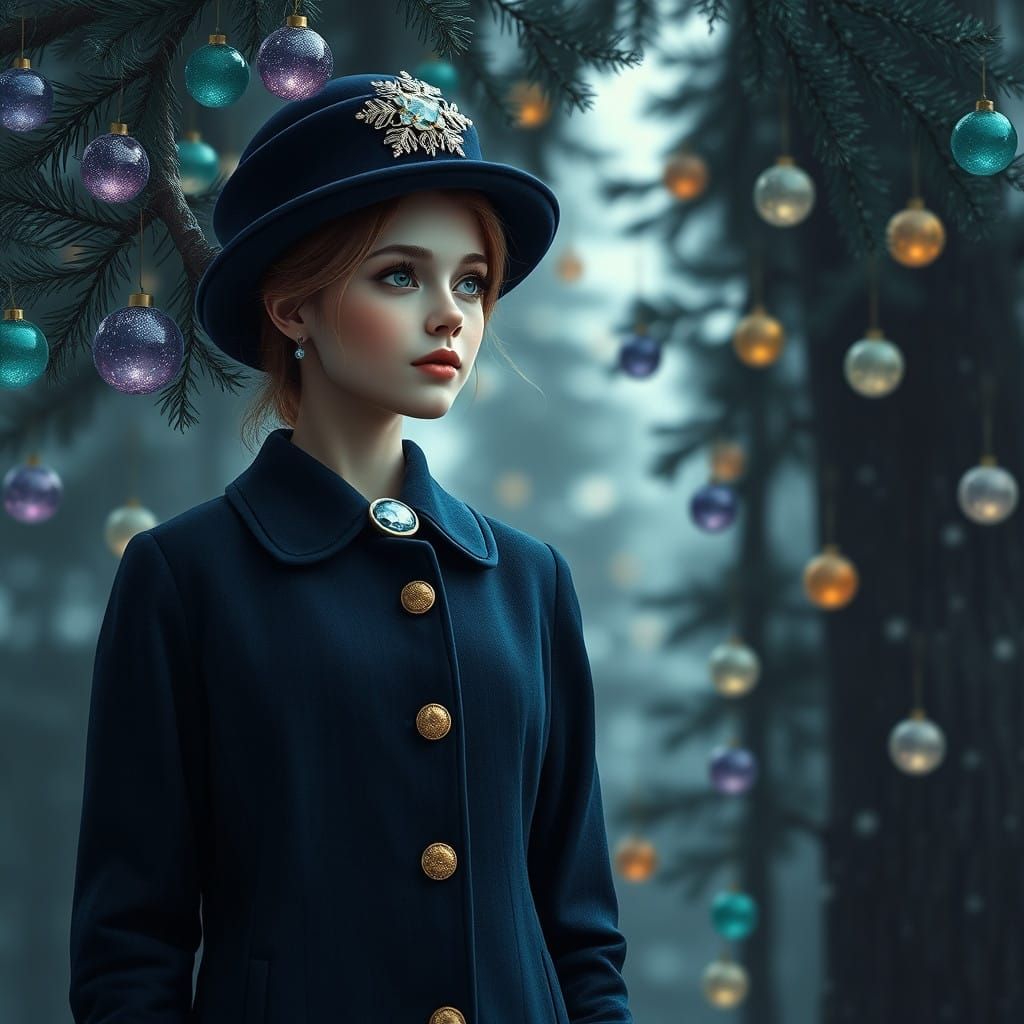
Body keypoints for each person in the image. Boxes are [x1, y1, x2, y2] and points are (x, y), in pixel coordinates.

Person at [68, 70, 633, 1024]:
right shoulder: (186, 577)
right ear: (292, 306)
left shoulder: (531, 582)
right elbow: (133, 945)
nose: (451, 313)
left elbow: (581, 931)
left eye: (473, 281)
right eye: (400, 275)